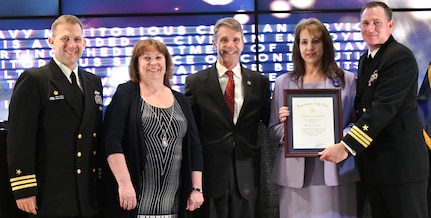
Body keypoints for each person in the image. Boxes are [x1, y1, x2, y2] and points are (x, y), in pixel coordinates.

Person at [319, 1, 429, 218]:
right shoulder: (366, 60)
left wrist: (346, 146)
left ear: (390, 25)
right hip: (377, 167)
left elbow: (382, 109)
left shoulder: (399, 57)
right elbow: (360, 107)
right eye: (365, 23)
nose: (370, 28)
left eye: (377, 23)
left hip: (401, 167)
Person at [7, 15, 103, 217]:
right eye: (65, 39)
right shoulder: (35, 79)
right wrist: (24, 189)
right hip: (50, 193)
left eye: (77, 39)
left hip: (87, 193)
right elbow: (20, 139)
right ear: (51, 41)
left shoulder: (93, 82)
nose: (72, 45)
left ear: (84, 43)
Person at [268, 17, 359, 218]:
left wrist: (339, 138)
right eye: (304, 42)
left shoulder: (347, 80)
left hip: (337, 170)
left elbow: (357, 123)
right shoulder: (283, 82)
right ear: (297, 47)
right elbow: (273, 130)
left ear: (325, 45)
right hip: (295, 176)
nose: (310, 47)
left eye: (316, 41)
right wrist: (288, 127)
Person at [102, 39, 204, 218]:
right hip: (134, 202)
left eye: (158, 57)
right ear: (136, 64)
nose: (153, 63)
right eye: (146, 58)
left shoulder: (181, 100)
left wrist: (196, 188)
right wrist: (124, 184)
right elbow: (112, 141)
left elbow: (194, 146)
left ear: (166, 63)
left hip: (175, 203)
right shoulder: (126, 94)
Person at [184, 17, 271, 218]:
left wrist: (285, 116)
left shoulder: (259, 82)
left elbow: (270, 121)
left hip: (247, 175)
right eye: (224, 40)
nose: (230, 45)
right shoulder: (196, 82)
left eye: (235, 39)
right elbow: (191, 133)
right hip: (210, 176)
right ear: (214, 43)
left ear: (243, 42)